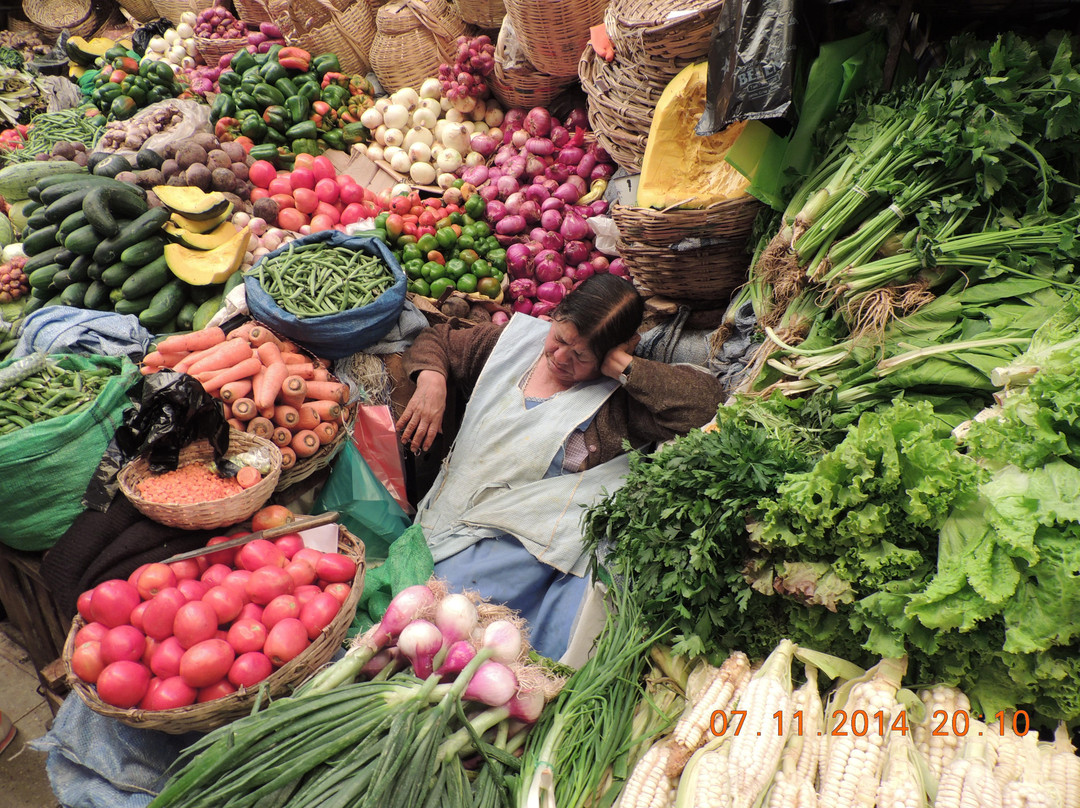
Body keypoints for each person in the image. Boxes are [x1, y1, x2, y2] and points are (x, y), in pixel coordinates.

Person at [397, 274, 726, 659]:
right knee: (423, 604)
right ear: (554, 315)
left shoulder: (618, 401)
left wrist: (622, 363)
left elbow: (705, 403)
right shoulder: (509, 344)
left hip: (526, 537)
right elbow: (436, 339)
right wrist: (432, 381)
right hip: (453, 514)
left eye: (582, 356)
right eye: (561, 339)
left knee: (457, 611)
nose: (560, 358)